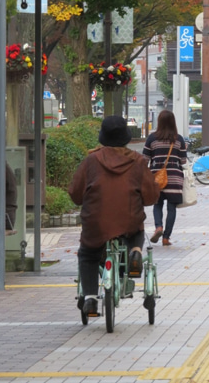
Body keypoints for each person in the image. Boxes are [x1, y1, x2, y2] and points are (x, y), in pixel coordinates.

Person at [68, 115, 160, 315]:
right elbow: (151, 196)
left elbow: (75, 193)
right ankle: (135, 251)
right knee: (136, 227)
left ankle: (91, 298)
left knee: (88, 254)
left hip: (95, 222)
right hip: (128, 221)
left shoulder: (91, 160)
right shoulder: (137, 161)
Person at [143, 110, 187, 246]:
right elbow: (183, 160)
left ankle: (158, 227)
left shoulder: (152, 138)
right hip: (174, 177)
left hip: (156, 177)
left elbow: (145, 159)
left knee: (157, 204)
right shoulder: (178, 139)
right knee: (171, 208)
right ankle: (166, 238)